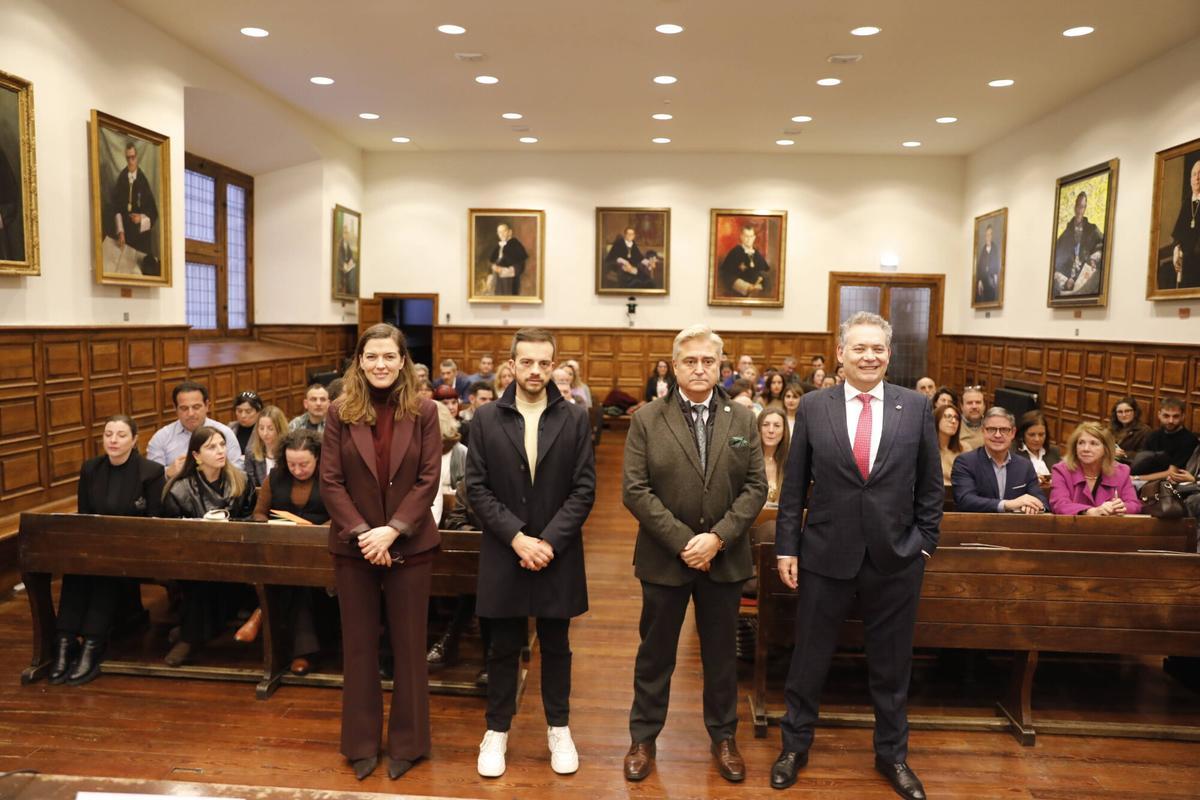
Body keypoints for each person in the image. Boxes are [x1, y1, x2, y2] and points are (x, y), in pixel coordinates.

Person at [772, 312, 941, 798]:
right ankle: (794, 747)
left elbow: (930, 488)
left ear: (889, 355)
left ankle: (893, 756)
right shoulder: (813, 407)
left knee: (891, 667)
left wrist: (922, 543)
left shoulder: (915, 407)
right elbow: (794, 486)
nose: (869, 357)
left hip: (896, 558)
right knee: (809, 659)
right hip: (825, 554)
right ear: (841, 353)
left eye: (878, 349)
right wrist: (788, 545)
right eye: (859, 348)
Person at [622, 324, 767, 784]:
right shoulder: (647, 418)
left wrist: (718, 538)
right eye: (691, 361)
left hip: (724, 560)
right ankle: (644, 739)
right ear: (675, 365)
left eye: (708, 361)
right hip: (666, 558)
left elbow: (756, 487)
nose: (700, 368)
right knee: (655, 654)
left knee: (721, 657)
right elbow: (635, 490)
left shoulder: (744, 419)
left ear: (721, 365)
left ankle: (724, 738)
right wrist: (686, 541)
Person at [467, 328, 596, 778]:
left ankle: (558, 728)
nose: (536, 371)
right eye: (527, 362)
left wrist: (548, 542)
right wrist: (518, 538)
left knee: (557, 644)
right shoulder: (485, 418)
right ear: (512, 364)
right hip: (506, 549)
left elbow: (584, 489)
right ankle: (496, 731)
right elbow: (476, 488)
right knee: (502, 645)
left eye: (544, 363)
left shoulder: (576, 418)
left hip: (557, 551)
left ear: (555, 364)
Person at [321, 323, 441, 781]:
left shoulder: (425, 410)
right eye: (372, 357)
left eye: (389, 356)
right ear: (359, 361)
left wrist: (392, 531)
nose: (381, 365)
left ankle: (409, 744)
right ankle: (361, 744)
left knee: (410, 648)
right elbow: (330, 480)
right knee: (358, 648)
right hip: (355, 549)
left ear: (402, 361)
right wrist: (363, 532)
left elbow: (428, 479)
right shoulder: (339, 412)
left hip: (410, 544)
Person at [51, 415, 165, 686]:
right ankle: (65, 642)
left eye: (121, 435)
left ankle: (93, 643)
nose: (113, 440)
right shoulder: (91, 468)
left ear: (135, 439)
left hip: (134, 551)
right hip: (97, 547)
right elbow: (84, 515)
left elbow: (154, 522)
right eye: (108, 434)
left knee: (104, 572)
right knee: (77, 571)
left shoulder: (150, 471)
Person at [161, 425, 255, 666]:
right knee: (202, 579)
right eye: (211, 447)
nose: (220, 451)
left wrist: (230, 523)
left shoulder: (241, 481)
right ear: (196, 455)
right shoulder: (179, 488)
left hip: (236, 556)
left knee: (215, 580)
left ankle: (189, 636)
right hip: (192, 560)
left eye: (222, 445)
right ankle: (192, 636)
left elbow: (252, 519)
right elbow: (171, 532)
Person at [251, 429, 331, 675]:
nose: (297, 469)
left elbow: (342, 518)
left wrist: (320, 530)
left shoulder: (331, 478)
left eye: (304, 464)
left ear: (318, 458)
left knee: (299, 582)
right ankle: (301, 653)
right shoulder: (276, 477)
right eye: (291, 464)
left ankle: (260, 616)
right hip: (283, 551)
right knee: (292, 579)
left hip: (322, 552)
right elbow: (260, 512)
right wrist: (265, 524)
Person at [951, 407, 1047, 514]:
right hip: (978, 528)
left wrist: (1034, 506)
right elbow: (965, 500)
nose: (997, 435)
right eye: (992, 429)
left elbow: (1042, 501)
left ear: (1013, 433)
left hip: (1016, 528)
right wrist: (1007, 504)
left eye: (1004, 430)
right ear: (983, 431)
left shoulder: (1024, 466)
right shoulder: (965, 462)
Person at [147, 380, 243, 478]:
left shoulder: (225, 433)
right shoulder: (161, 438)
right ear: (175, 409)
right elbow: (151, 478)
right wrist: (167, 473)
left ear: (207, 406)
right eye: (184, 408)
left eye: (196, 407)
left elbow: (238, 472)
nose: (190, 414)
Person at [1049, 422, 1141, 516]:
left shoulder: (1121, 471)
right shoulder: (1062, 470)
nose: (1086, 448)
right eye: (1081, 443)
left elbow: (1134, 505)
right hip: (1072, 528)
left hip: (1110, 528)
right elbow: (1059, 504)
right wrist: (1090, 511)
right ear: (1075, 447)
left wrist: (1121, 507)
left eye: (1094, 443)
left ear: (1106, 449)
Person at [107, 140, 159, 261]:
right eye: (128, 158)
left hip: (141, 238)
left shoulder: (142, 180)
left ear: (137, 158)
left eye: (133, 158)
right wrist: (120, 232)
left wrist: (141, 218)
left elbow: (153, 213)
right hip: (126, 237)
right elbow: (116, 207)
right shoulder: (122, 178)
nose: (130, 161)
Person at [1052, 191, 1104, 296]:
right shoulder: (1065, 236)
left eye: (1083, 207)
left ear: (1085, 208)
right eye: (1079, 206)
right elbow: (1054, 264)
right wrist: (1065, 281)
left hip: (1085, 279)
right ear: (1075, 207)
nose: (1080, 210)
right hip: (1067, 284)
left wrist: (1094, 258)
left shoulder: (1092, 230)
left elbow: (1103, 246)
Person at [1160, 159, 1200, 290]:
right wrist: (1176, 249)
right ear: (1190, 179)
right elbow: (1179, 234)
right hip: (1185, 256)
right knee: (1164, 269)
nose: (1197, 178)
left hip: (1196, 256)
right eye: (1194, 174)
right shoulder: (1186, 203)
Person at [1133, 398, 1198, 477]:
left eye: (1175, 416)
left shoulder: (1189, 439)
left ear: (1183, 416)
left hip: (1168, 482)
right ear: (1159, 415)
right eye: (1166, 416)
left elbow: (1172, 473)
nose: (1171, 420)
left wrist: (1137, 478)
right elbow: (1142, 461)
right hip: (1144, 476)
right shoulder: (1153, 435)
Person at [718, 224, 771, 297]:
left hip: (757, 289)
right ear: (741, 237)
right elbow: (727, 275)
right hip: (740, 291)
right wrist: (746, 287)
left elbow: (764, 272)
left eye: (751, 236)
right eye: (746, 236)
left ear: (754, 238)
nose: (749, 239)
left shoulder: (757, 253)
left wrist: (758, 286)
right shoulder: (735, 252)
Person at [244, 405, 288, 490]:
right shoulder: (251, 453)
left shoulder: (289, 451)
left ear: (280, 429)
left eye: (270, 429)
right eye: (261, 428)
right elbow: (252, 486)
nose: (265, 433)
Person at [1014, 411, 1060, 491]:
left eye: (1041, 434)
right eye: (1032, 435)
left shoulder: (1053, 451)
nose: (1037, 439)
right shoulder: (1013, 453)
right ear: (1022, 434)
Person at [759, 408, 789, 507]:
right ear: (758, 428)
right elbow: (731, 441)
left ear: (784, 430)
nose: (771, 430)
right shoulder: (748, 456)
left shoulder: (791, 461)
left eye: (777, 426)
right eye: (765, 425)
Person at [488, 222, 528, 296]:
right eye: (500, 232)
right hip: (498, 280)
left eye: (504, 231)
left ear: (510, 232)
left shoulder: (516, 245)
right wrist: (491, 273)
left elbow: (520, 266)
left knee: (509, 300)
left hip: (510, 281)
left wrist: (502, 270)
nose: (502, 234)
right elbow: (492, 261)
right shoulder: (498, 246)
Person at [1109, 397, 1151, 461]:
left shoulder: (1145, 431)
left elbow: (1145, 455)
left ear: (1135, 412)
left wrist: (1123, 454)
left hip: (1130, 467)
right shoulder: (1111, 427)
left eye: (1127, 411)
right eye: (1120, 412)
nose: (1124, 415)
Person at [935, 404, 967, 486]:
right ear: (937, 419)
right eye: (948, 416)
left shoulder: (965, 448)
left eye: (956, 418)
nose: (953, 421)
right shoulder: (926, 449)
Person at [458, 381, 495, 446]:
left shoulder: (495, 419)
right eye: (483, 399)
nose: (488, 403)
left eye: (490, 399)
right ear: (472, 399)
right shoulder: (461, 419)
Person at [975, 223, 1001, 304]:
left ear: (992, 236)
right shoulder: (983, 250)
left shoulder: (995, 249)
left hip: (991, 281)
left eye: (989, 235)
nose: (988, 237)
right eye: (987, 235)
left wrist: (995, 278)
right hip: (983, 282)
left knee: (991, 299)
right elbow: (980, 267)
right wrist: (979, 281)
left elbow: (997, 265)